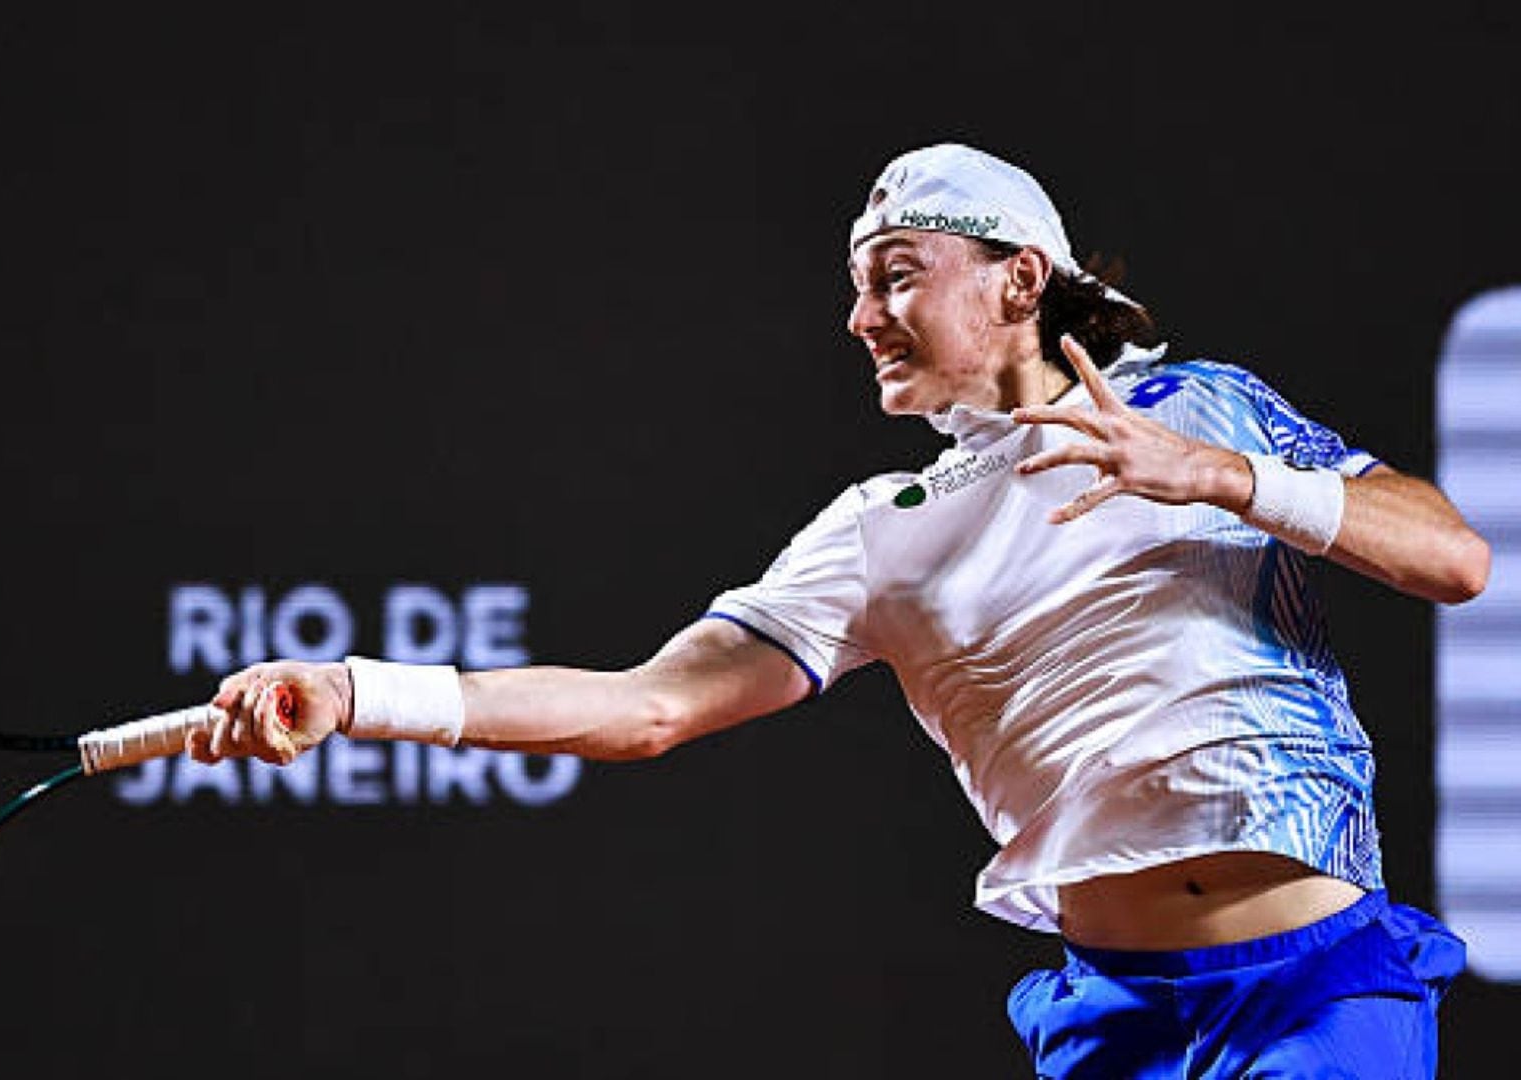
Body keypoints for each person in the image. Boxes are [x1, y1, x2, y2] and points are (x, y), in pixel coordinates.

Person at [187, 143, 1490, 1078]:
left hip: (1317, 990)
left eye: (899, 276)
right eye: (860, 285)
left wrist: (1220, 478)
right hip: (1115, 1022)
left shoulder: (1196, 409)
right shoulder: (882, 528)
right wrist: (361, 691)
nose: (862, 316)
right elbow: (647, 708)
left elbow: (1451, 561)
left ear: (1020, 281)